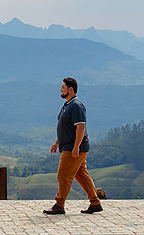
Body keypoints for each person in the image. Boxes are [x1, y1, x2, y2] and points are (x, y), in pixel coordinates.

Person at [43, 77, 103, 215]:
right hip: (68, 146)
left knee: (63, 175)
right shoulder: (67, 105)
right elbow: (66, 127)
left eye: (63, 87)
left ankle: (59, 204)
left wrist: (76, 146)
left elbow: (80, 127)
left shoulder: (76, 105)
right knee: (81, 175)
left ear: (70, 89)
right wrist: (57, 142)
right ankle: (95, 202)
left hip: (73, 148)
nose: (60, 89)